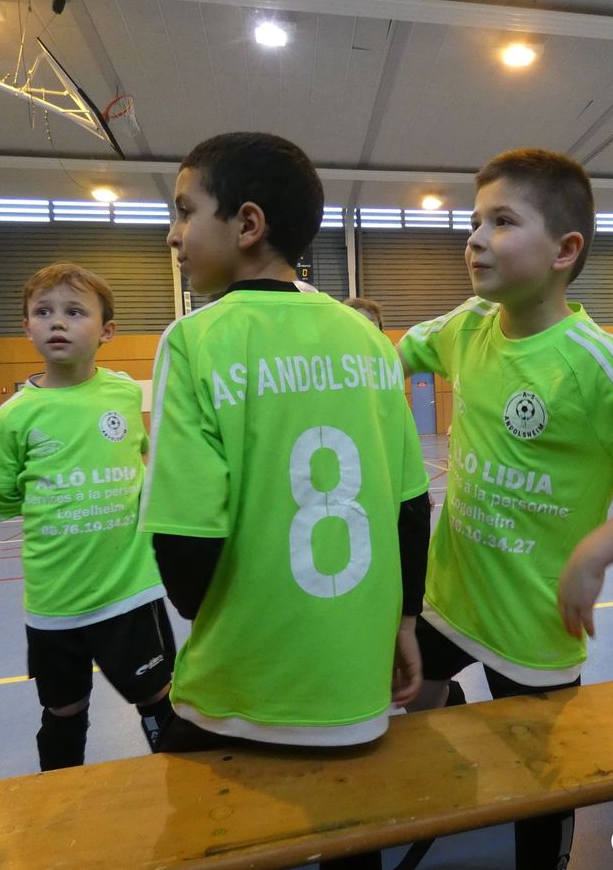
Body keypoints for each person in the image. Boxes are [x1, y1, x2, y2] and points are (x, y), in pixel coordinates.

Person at [397, 148, 613, 869]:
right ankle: (444, 780)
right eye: (474, 221)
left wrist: (591, 555)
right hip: (450, 599)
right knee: (397, 702)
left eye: (502, 222)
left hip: (535, 625)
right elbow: (395, 357)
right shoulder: (468, 326)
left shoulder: (594, 361)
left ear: (564, 250)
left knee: (541, 785)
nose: (475, 238)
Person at [139, 133, 430, 870]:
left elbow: (186, 542)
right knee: (352, 843)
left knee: (199, 844)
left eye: (185, 212)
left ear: (247, 224)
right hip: (354, 686)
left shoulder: (194, 341)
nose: (172, 235)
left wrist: (218, 625)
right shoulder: (368, 341)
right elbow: (410, 503)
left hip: (240, 686)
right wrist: (404, 621)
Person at [0, 262, 175, 771]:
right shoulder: (15, 415)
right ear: (27, 328)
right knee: (64, 709)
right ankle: (57, 800)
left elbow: (140, 454)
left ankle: (187, 793)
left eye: (75, 312)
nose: (57, 322)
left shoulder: (123, 393)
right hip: (54, 600)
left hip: (129, 590)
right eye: (43, 312)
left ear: (107, 330)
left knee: (157, 696)